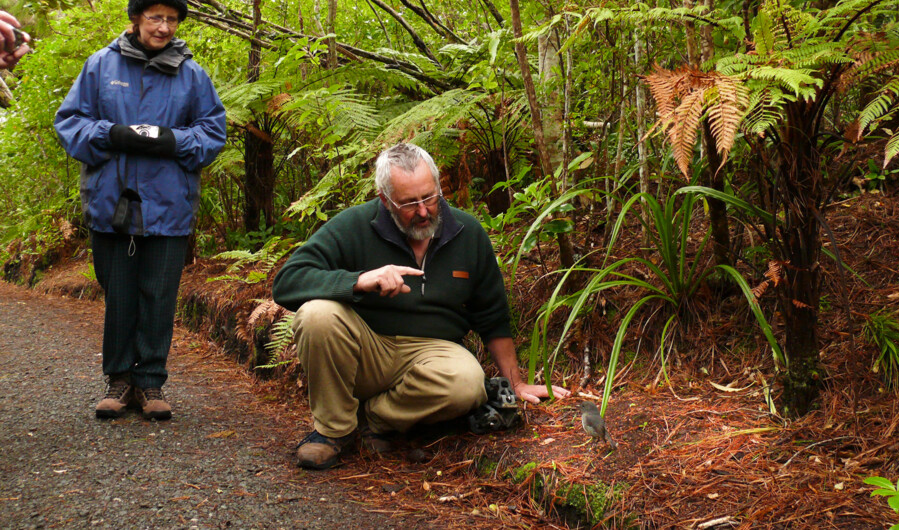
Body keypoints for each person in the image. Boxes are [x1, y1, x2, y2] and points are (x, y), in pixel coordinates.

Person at [273, 143, 570, 470]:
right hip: (365, 352)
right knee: (316, 315)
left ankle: (372, 419)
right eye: (409, 203)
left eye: (429, 197)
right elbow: (288, 281)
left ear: (439, 187)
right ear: (385, 199)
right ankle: (333, 432)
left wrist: (515, 383)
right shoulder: (354, 225)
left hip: (433, 355)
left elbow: (492, 315)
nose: (424, 211)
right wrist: (359, 280)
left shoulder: (467, 233)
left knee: (467, 384)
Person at [54, 0, 226, 420]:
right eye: (155, 17)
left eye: (171, 19)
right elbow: (70, 122)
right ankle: (119, 381)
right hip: (111, 202)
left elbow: (212, 132)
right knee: (118, 294)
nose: (163, 27)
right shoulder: (101, 66)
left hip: (169, 205)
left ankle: (150, 382)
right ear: (136, 19)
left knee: (159, 295)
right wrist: (111, 133)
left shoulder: (192, 74)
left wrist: (172, 140)